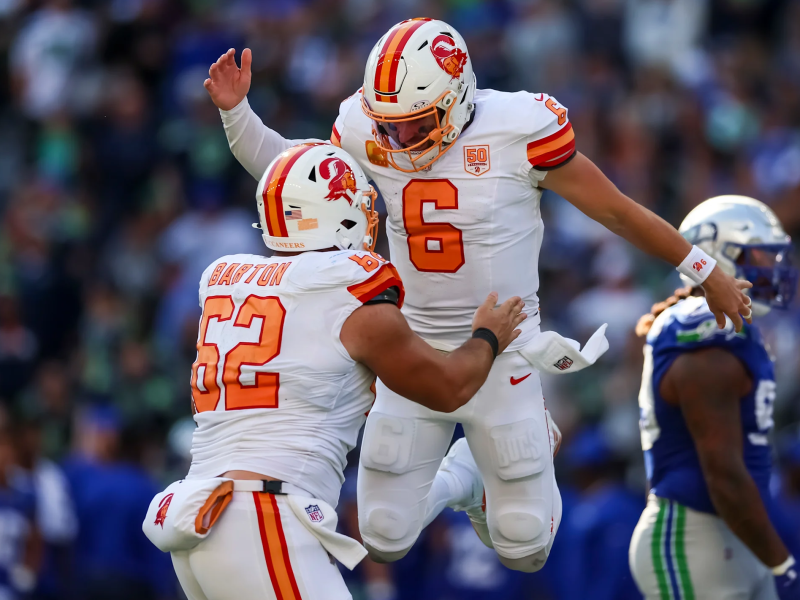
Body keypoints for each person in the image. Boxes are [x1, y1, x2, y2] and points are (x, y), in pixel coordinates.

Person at [204, 18, 753, 573]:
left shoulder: (517, 129)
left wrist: (703, 270)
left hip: (505, 342)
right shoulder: (369, 127)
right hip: (414, 344)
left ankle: (509, 456)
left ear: (457, 95)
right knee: (384, 535)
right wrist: (237, 114)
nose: (399, 140)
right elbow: (302, 183)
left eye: (416, 124)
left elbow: (613, 208)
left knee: (525, 545)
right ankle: (465, 479)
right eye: (389, 127)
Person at [151, 143, 526, 600]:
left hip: (203, 516)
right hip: (265, 516)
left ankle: (456, 483)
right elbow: (449, 387)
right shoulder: (346, 288)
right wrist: (487, 337)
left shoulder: (226, 279)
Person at [629, 195, 800, 600]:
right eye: (760, 254)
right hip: (695, 534)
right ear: (717, 256)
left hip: (736, 531)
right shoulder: (709, 331)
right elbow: (722, 473)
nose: (771, 268)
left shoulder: (731, 328)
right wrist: (783, 562)